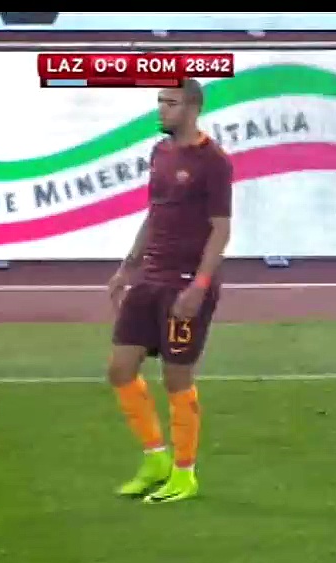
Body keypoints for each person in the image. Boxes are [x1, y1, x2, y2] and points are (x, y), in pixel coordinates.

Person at [105, 78, 233, 504]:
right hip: (149, 279)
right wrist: (127, 266)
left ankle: (184, 473)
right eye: (160, 101)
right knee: (120, 368)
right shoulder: (159, 152)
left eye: (170, 102)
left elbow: (221, 229)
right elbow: (154, 213)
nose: (161, 109)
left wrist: (199, 286)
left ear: (192, 108)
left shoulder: (213, 161)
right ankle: (155, 458)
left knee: (177, 377)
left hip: (184, 282)